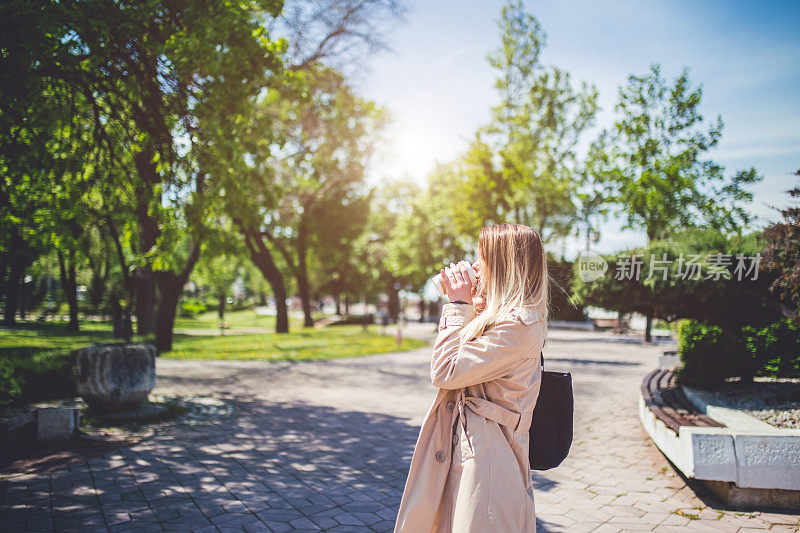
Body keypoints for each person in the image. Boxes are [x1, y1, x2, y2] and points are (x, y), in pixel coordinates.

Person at [393, 223, 549, 533]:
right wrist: (468, 300)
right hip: (471, 453)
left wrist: (458, 305)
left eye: (482, 259)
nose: (475, 266)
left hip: (488, 467)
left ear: (504, 266)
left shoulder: (518, 326)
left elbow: (446, 370)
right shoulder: (499, 316)